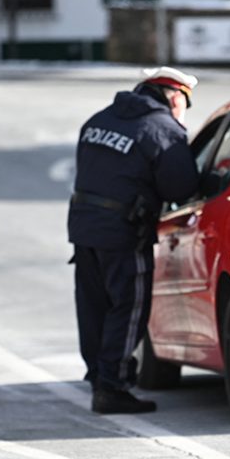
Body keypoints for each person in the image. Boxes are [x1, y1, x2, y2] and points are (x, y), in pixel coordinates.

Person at [68, 66, 200, 414]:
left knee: (93, 307)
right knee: (127, 309)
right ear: (175, 97)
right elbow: (181, 188)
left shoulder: (98, 120)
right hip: (126, 232)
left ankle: (99, 378)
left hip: (84, 229)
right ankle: (113, 387)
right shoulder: (163, 130)